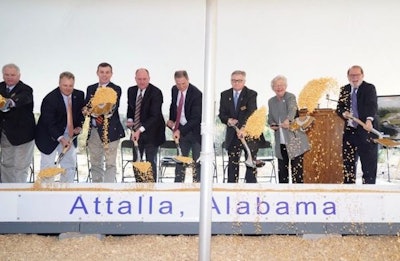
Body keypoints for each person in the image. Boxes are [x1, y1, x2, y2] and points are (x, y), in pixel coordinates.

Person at [35, 72, 85, 182]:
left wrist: (79, 126)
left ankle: (66, 191)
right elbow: (49, 123)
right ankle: (46, 192)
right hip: (49, 136)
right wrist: (61, 138)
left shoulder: (80, 95)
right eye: (65, 85)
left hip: (69, 134)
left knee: (69, 165)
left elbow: (81, 114)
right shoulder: (50, 99)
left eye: (70, 86)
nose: (68, 88)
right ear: (59, 84)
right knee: (48, 167)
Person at [219, 70, 264, 183]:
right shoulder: (225, 95)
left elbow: (251, 113)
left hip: (248, 134)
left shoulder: (251, 94)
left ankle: (250, 187)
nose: (236, 83)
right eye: (233, 80)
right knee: (232, 162)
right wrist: (228, 120)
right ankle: (231, 187)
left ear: (244, 81)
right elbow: (222, 114)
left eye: (239, 81)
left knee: (250, 161)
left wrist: (243, 128)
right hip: (232, 134)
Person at [336, 65, 378, 184]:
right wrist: (344, 113)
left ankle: (369, 191)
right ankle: (349, 191)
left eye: (357, 75)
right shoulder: (344, 89)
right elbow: (339, 107)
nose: (354, 78)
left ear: (362, 75)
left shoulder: (369, 88)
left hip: (366, 132)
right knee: (348, 165)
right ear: (348, 76)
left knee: (368, 165)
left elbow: (372, 105)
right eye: (351, 75)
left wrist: (369, 120)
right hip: (350, 132)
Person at [85, 62, 125, 182]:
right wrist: (88, 111)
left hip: (111, 132)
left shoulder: (116, 89)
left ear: (111, 74)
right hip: (94, 131)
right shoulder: (90, 88)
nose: (104, 75)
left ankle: (109, 189)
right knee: (95, 163)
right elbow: (87, 106)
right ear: (97, 73)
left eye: (107, 72)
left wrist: (94, 112)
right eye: (102, 72)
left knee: (110, 164)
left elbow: (111, 108)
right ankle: (97, 188)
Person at [267, 75, 310, 184]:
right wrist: (271, 123)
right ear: (273, 88)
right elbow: (270, 117)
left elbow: (292, 109)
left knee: (297, 172)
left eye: (281, 85)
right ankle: (282, 197)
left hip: (294, 140)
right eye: (276, 85)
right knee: (282, 173)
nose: (279, 87)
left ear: (285, 86)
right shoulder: (271, 101)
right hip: (280, 142)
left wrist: (288, 120)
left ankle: (298, 197)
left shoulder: (290, 97)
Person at [126, 68, 166, 182]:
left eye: (144, 79)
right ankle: (139, 185)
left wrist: (140, 130)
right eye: (139, 79)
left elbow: (155, 116)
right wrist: (130, 119)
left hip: (153, 132)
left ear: (149, 79)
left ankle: (151, 186)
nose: (142, 82)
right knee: (137, 160)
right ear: (135, 79)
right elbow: (131, 108)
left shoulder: (156, 92)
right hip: (136, 133)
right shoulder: (131, 91)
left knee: (150, 161)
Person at [0, 63, 36, 183]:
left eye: (13, 75)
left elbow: (22, 99)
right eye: (7, 74)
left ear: (19, 76)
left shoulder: (26, 89)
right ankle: (6, 194)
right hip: (6, 135)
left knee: (21, 167)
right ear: (3, 75)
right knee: (7, 165)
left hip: (23, 137)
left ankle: (19, 193)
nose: (9, 77)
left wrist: (10, 102)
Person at [166, 70, 202, 183]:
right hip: (181, 132)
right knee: (180, 161)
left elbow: (196, 119)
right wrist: (171, 121)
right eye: (178, 84)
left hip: (195, 133)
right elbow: (174, 106)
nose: (181, 86)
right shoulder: (174, 89)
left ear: (188, 80)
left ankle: (197, 187)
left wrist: (180, 131)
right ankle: (177, 186)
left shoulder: (197, 94)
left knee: (197, 163)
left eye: (183, 83)